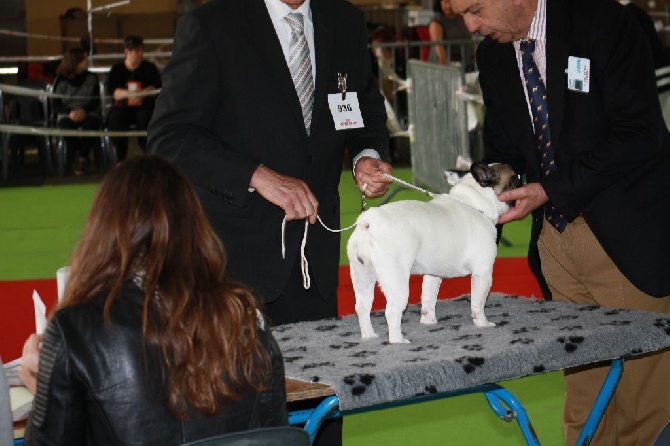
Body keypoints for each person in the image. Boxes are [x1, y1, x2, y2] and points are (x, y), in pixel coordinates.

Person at [148, 1, 393, 444]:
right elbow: (171, 135)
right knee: (236, 418)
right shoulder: (211, 23)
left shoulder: (345, 20)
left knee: (318, 408)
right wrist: (257, 176)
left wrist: (366, 156)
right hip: (231, 263)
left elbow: (362, 109)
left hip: (311, 258)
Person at [449, 0, 670, 444]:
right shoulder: (494, 55)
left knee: (643, 408)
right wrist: (474, 193)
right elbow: (506, 150)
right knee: (585, 401)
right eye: (461, 16)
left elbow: (641, 134)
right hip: (554, 244)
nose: (471, 27)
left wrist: (551, 189)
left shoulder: (603, 21)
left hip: (626, 240)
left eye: (474, 9)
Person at [21, 155, 287, 445]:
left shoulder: (74, 329)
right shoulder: (246, 315)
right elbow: (275, 435)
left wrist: (42, 391)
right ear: (194, 225)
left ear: (103, 230)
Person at [106, 35, 162, 161]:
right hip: (123, 106)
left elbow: (156, 89)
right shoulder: (117, 69)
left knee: (146, 119)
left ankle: (148, 155)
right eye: (137, 50)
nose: (140, 53)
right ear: (127, 51)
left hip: (145, 106)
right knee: (116, 119)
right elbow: (114, 92)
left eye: (142, 50)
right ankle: (120, 157)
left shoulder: (150, 68)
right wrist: (130, 94)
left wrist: (141, 94)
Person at [52, 48, 101, 175]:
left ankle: (82, 158)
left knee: (91, 124)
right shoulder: (60, 80)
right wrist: (70, 112)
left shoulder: (92, 78)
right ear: (76, 62)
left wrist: (84, 110)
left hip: (88, 111)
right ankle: (81, 153)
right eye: (84, 58)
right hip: (67, 113)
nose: (87, 60)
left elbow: (96, 101)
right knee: (66, 127)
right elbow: (56, 105)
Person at [428, 0, 473, 68]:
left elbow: (470, 40)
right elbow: (438, 46)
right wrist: (444, 68)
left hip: (464, 64)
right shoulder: (437, 20)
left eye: (450, 2)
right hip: (443, 66)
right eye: (445, 2)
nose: (448, 6)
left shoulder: (463, 18)